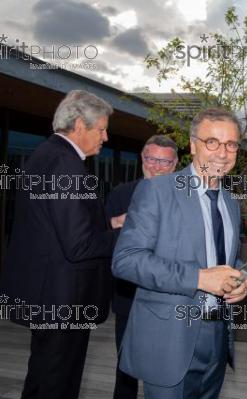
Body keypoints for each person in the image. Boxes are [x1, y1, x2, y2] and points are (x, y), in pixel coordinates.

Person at [112, 108, 247, 399]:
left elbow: (223, 258)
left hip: (219, 337)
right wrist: (199, 278)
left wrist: (242, 278)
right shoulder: (158, 191)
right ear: (192, 144)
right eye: (212, 142)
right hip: (169, 340)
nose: (222, 153)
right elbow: (126, 260)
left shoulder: (230, 201)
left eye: (231, 144)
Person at [0, 90, 122, 399]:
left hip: (49, 296)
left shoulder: (46, 156)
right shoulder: (67, 167)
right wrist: (129, 235)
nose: (105, 137)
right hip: (64, 299)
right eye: (101, 128)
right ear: (79, 125)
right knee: (58, 383)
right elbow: (79, 245)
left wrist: (111, 224)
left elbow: (56, 228)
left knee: (42, 374)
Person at [106, 135, 179, 399]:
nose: (156, 166)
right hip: (129, 295)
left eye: (164, 161)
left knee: (168, 367)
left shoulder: (187, 197)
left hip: (171, 298)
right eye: (151, 158)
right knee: (125, 369)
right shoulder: (120, 194)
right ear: (141, 159)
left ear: (175, 165)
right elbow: (106, 244)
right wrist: (117, 223)